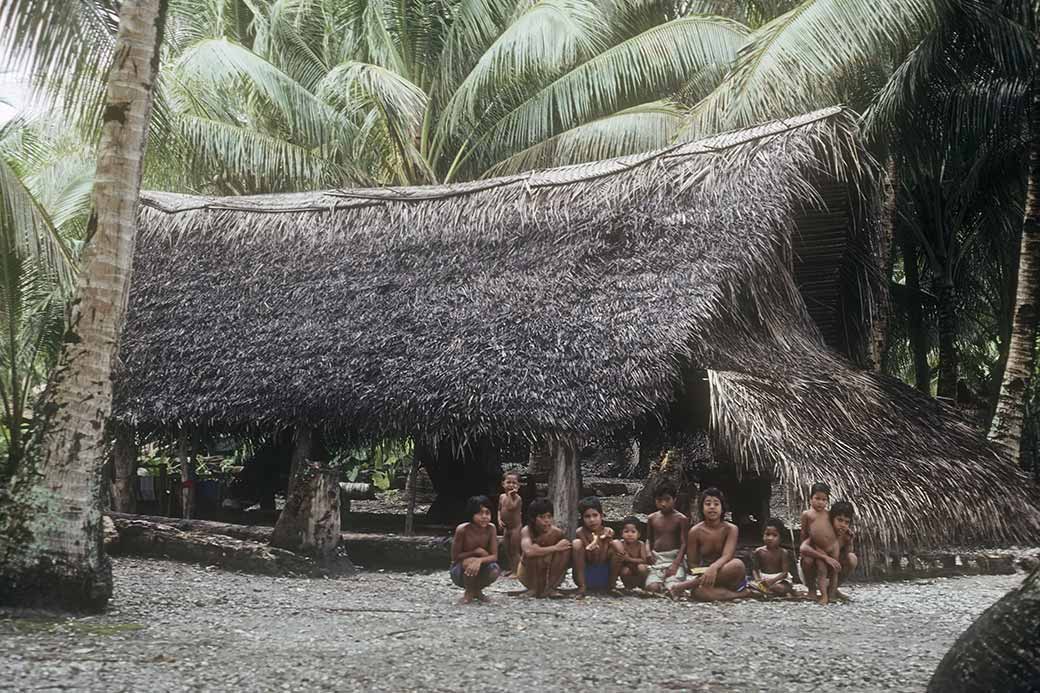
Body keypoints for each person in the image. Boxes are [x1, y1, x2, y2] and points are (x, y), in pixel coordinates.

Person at [669, 487, 752, 601]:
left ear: (722, 508)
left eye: (716, 504)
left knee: (737, 564)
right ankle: (742, 594)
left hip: (728, 573)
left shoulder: (731, 529)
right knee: (699, 594)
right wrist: (705, 572)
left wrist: (714, 568)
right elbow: (693, 563)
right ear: (702, 508)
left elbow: (727, 555)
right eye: (708, 504)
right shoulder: (695, 531)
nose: (712, 507)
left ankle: (683, 586)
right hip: (706, 578)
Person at [800, 500, 857, 603]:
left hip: (832, 569)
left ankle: (833, 589)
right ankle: (811, 590)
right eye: (839, 520)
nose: (843, 525)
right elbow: (803, 548)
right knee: (808, 560)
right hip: (815, 568)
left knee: (852, 558)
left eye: (847, 522)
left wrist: (850, 542)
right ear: (831, 519)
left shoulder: (846, 536)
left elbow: (847, 554)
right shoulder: (823, 533)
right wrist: (824, 557)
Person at [450, 495, 501, 604]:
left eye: (487, 513)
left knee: (495, 570)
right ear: (471, 514)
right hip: (459, 569)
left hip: (483, 565)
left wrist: (479, 560)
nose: (484, 517)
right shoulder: (463, 529)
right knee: (470, 563)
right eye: (479, 513)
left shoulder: (491, 529)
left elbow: (494, 556)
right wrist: (474, 553)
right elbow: (455, 557)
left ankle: (477, 591)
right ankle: (469, 592)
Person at [517, 497, 571, 598]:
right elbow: (529, 551)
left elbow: (566, 547)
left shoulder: (556, 532)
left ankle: (550, 588)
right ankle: (533, 588)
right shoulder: (527, 530)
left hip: (549, 572)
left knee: (565, 550)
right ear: (533, 518)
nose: (546, 521)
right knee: (535, 549)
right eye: (542, 517)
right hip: (528, 574)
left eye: (549, 516)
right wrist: (555, 548)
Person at [799, 482, 840, 604]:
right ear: (810, 498)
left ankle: (832, 593)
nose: (820, 502)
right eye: (817, 498)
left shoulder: (829, 514)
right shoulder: (807, 514)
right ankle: (816, 592)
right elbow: (804, 532)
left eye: (824, 499)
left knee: (834, 570)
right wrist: (805, 548)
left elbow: (835, 528)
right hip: (817, 548)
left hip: (832, 548)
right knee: (821, 568)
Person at [644, 483, 689, 594]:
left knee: (673, 587)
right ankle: (659, 583)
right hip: (657, 558)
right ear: (655, 500)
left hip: (674, 557)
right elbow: (648, 539)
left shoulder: (681, 519)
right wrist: (648, 552)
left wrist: (676, 563)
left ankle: (671, 583)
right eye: (659, 500)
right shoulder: (652, 518)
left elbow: (684, 543)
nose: (663, 503)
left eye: (667, 499)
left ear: (674, 499)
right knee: (652, 588)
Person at [572, 496, 620, 597]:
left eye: (595, 515)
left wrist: (606, 541)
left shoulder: (608, 531)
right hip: (586, 575)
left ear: (601, 516)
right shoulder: (580, 532)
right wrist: (595, 541)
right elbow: (590, 556)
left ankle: (612, 586)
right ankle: (582, 586)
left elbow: (603, 558)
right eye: (587, 516)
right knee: (576, 543)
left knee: (616, 545)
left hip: (604, 576)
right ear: (582, 518)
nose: (592, 520)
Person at [751, 518, 793, 597]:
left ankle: (768, 591)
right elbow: (755, 569)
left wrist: (772, 581)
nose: (770, 538)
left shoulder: (783, 552)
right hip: (763, 578)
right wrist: (758, 580)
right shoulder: (759, 551)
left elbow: (784, 573)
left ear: (781, 538)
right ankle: (768, 591)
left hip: (779, 579)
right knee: (752, 585)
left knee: (780, 587)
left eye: (774, 535)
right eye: (767, 534)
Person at [612, 516, 651, 590]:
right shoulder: (621, 544)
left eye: (633, 532)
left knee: (642, 568)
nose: (630, 534)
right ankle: (628, 586)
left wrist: (629, 559)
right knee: (625, 571)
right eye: (626, 531)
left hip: (638, 568)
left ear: (639, 534)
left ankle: (643, 585)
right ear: (621, 533)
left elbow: (644, 560)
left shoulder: (640, 544)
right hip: (628, 569)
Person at [498, 471, 523, 575]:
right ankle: (512, 568)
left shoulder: (517, 498)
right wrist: (499, 519)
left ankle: (517, 571)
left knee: (515, 550)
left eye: (514, 483)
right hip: (506, 528)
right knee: (507, 549)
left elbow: (510, 506)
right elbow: (499, 509)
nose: (511, 485)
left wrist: (509, 495)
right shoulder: (501, 497)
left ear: (518, 486)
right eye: (508, 482)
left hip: (516, 528)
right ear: (503, 484)